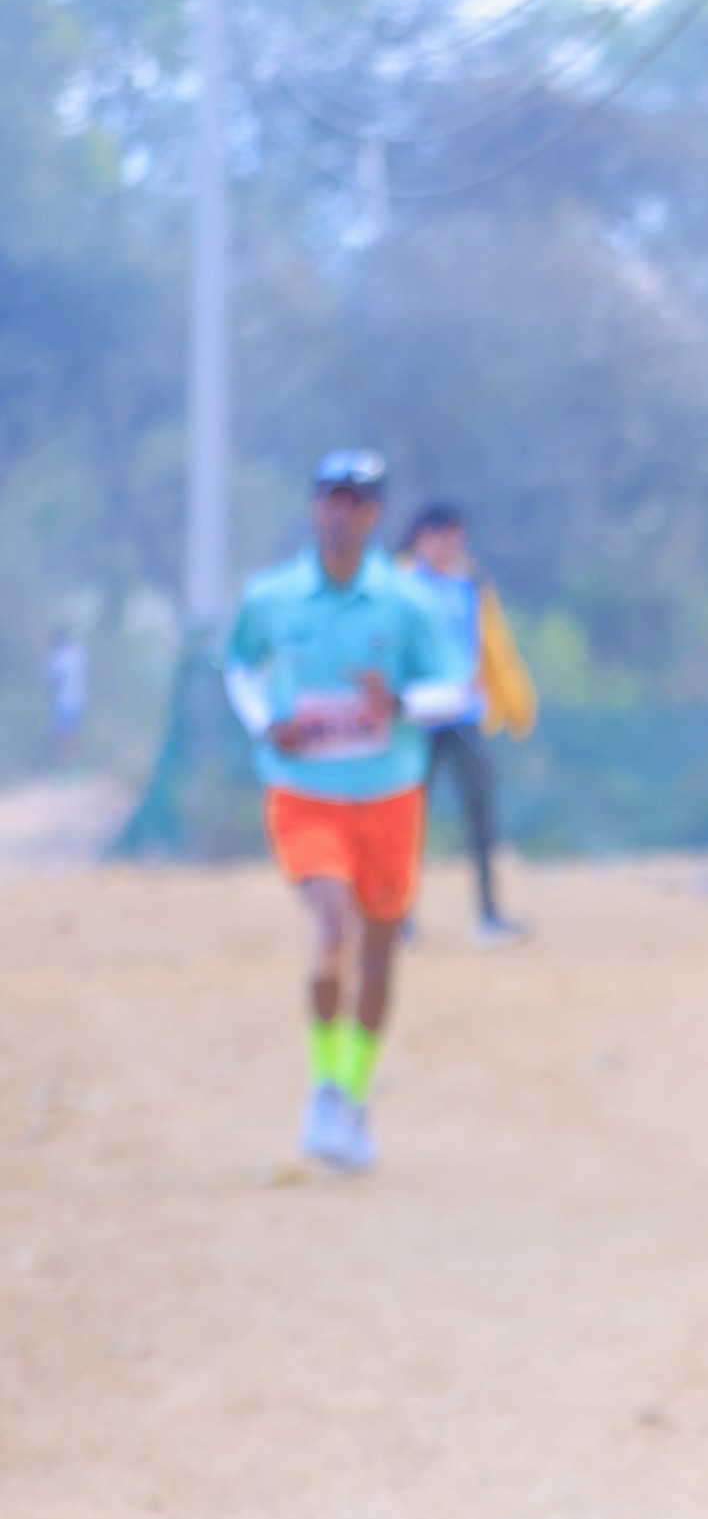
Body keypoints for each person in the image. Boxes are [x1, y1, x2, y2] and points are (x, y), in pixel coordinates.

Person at [226, 451, 463, 1172]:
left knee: (380, 950)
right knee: (333, 933)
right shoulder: (271, 597)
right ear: (313, 506)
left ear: (374, 515)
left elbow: (456, 687)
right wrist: (265, 721)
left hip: (388, 797)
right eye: (330, 497)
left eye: (355, 501)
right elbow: (239, 666)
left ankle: (355, 1092)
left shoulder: (406, 602)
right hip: (304, 793)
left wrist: (401, 701)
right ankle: (323, 1087)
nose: (340, 512)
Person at [398, 501, 537, 945]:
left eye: (453, 535)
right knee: (405, 818)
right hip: (414, 718)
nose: (446, 544)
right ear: (419, 538)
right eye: (437, 535)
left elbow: (492, 644)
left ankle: (489, 914)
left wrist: (513, 700)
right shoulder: (398, 584)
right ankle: (398, 915)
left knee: (481, 815)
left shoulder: (471, 584)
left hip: (464, 713)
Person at [46, 625, 86, 768]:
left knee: (64, 733)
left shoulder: (60, 656)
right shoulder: (79, 651)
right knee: (74, 732)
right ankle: (75, 764)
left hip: (64, 700)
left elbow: (50, 679)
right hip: (79, 698)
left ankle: (67, 764)